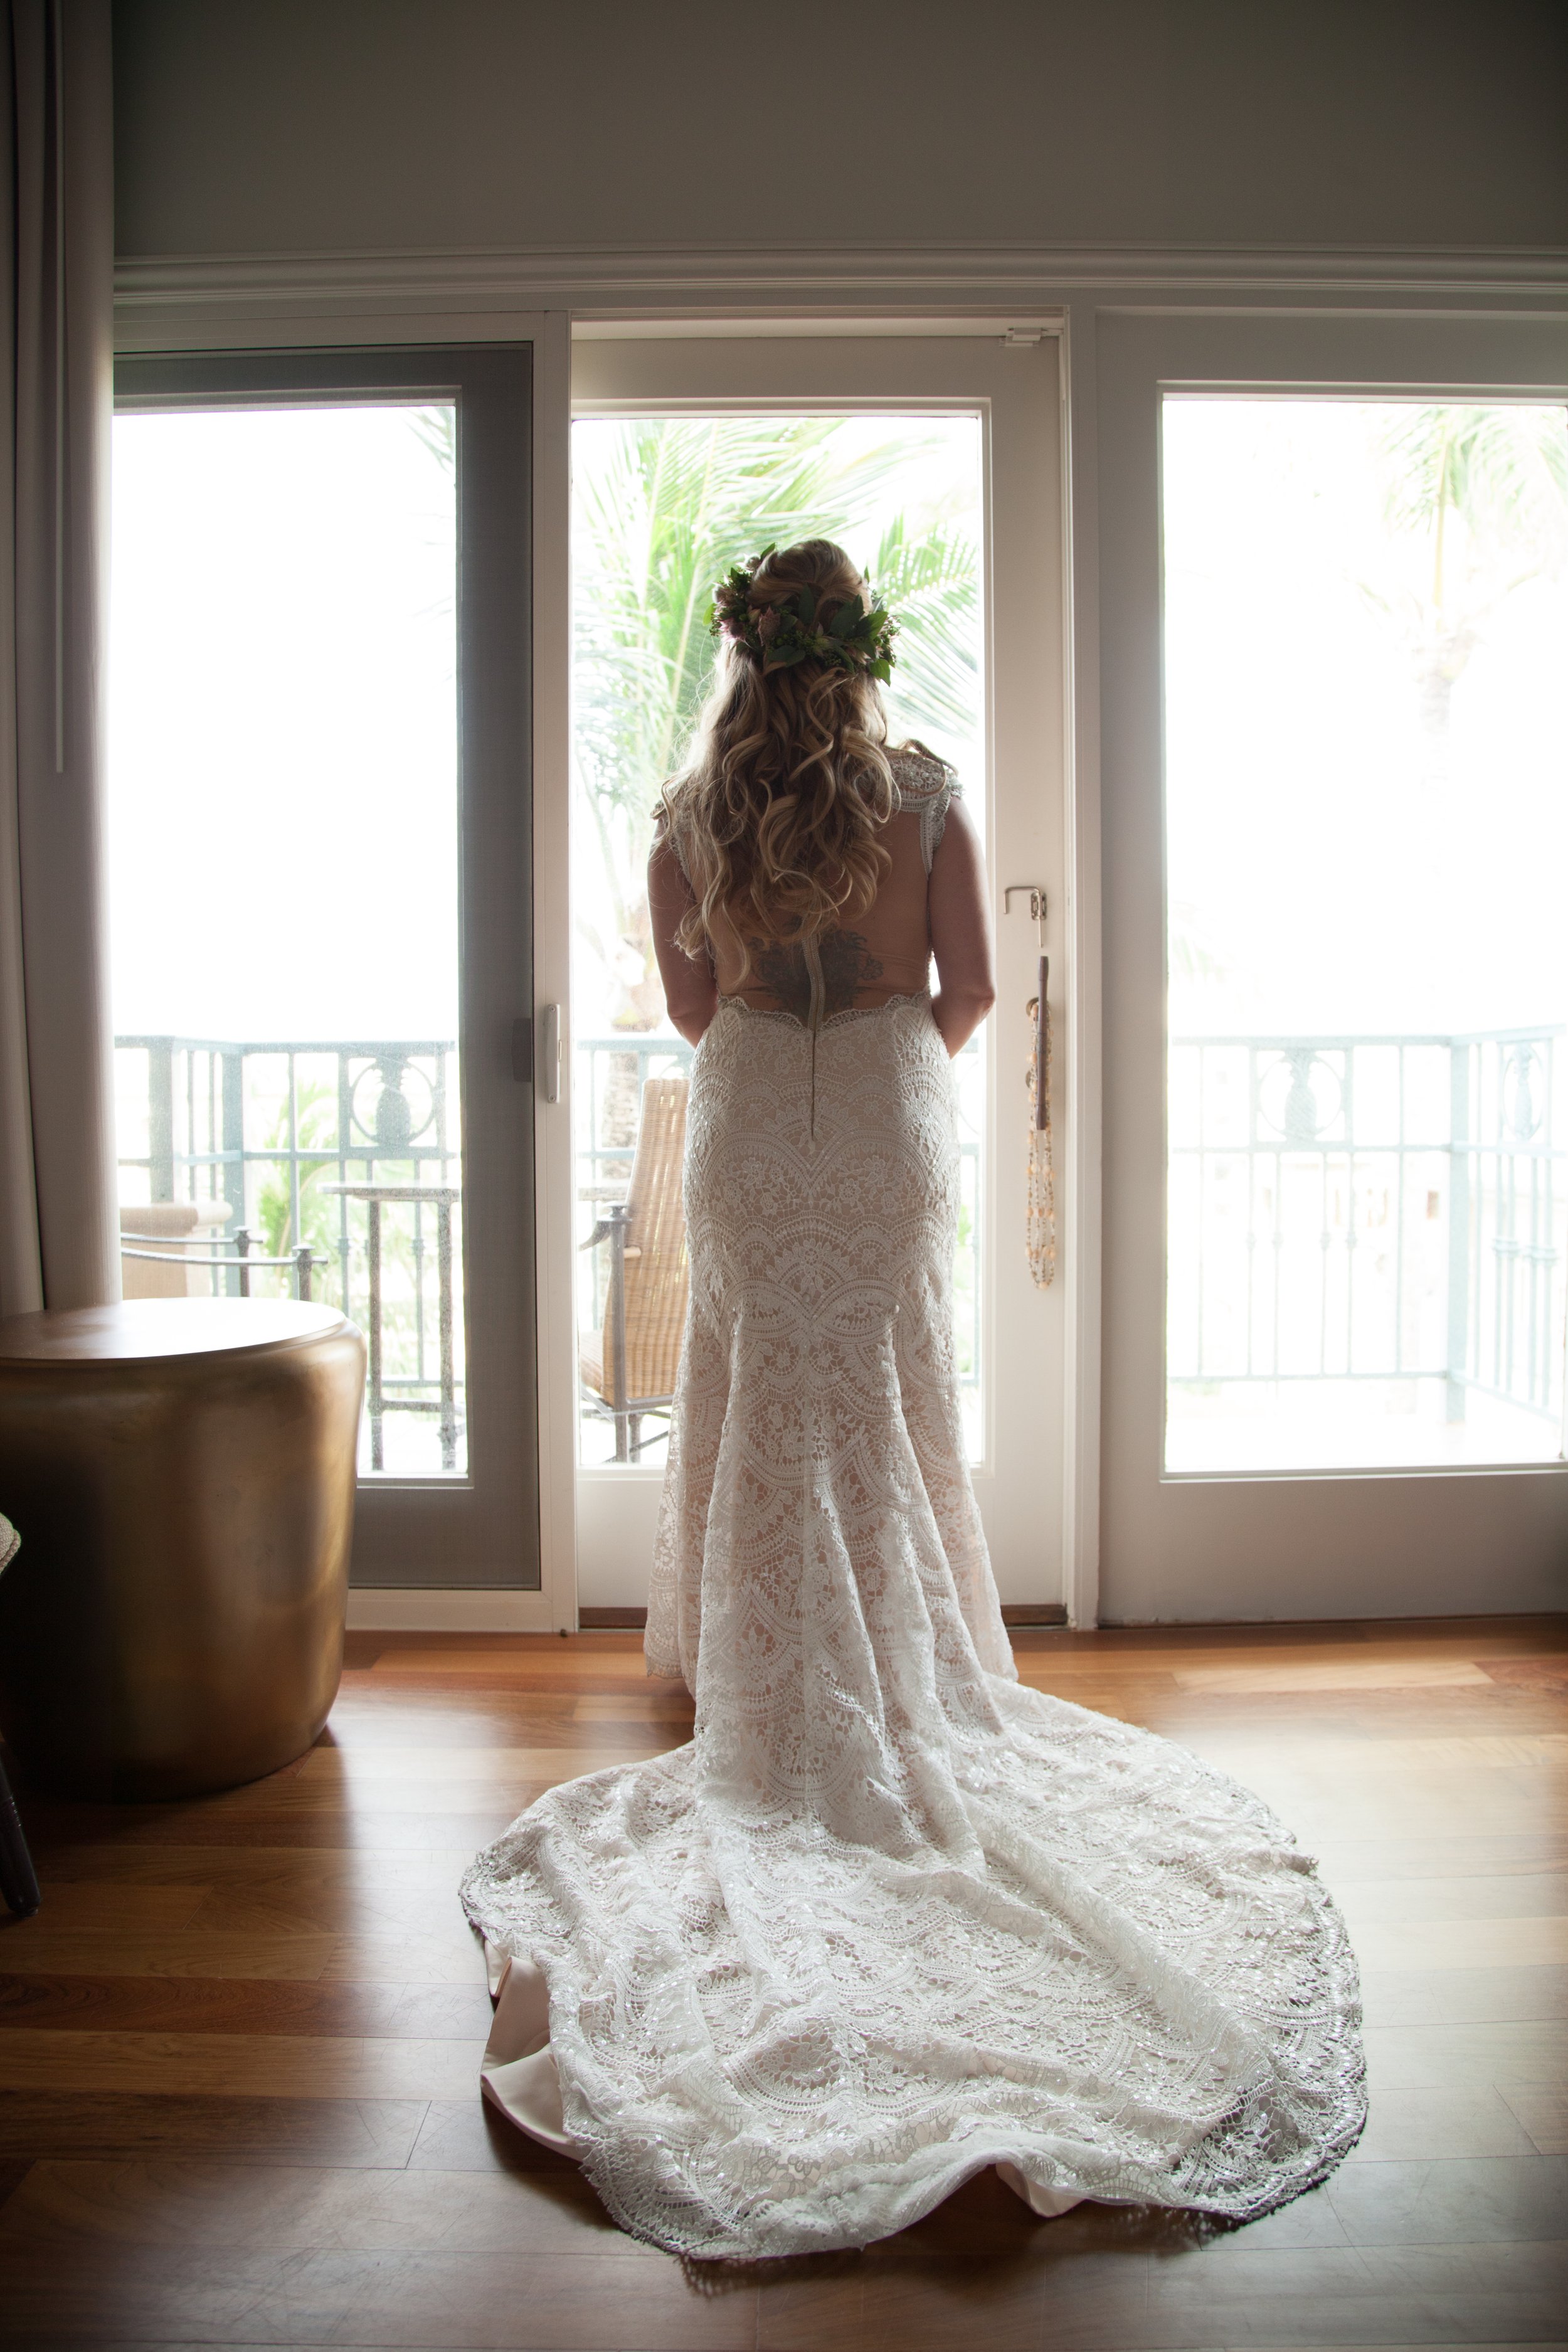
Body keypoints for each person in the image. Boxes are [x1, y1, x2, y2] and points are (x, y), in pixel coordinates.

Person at [462, 539, 1364, 2262]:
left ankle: (763, 1675)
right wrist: (880, 1039)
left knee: (756, 1383)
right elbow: (970, 991)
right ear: (860, 651)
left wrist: (775, 1016)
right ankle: (895, 1663)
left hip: (749, 1121)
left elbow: (688, 1003)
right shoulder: (926, 795)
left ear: (745, 655)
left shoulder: (689, 814)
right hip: (879, 1117)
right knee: (879, 1389)